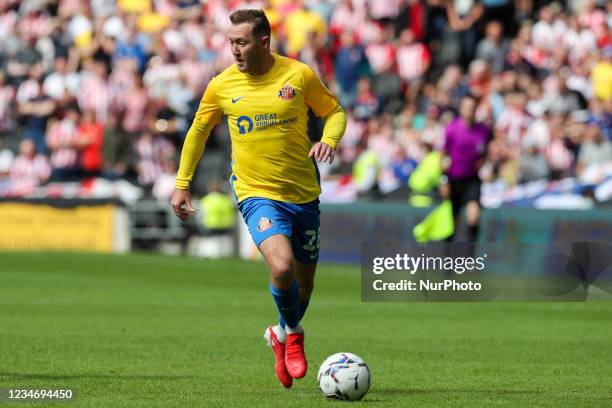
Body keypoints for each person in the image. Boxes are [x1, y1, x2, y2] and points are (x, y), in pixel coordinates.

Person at [170, 9, 346, 389]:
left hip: (303, 194)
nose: (234, 50)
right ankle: (295, 334)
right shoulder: (221, 85)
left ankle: (279, 335)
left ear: (263, 41)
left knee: (305, 285)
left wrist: (328, 140)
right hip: (256, 193)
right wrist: (182, 183)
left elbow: (334, 113)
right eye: (230, 42)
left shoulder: (297, 75)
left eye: (241, 42)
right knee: (281, 268)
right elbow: (198, 132)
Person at [440, 94, 490, 242]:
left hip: (472, 179)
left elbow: (484, 152)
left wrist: (484, 165)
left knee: (474, 215)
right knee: (451, 222)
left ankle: (470, 259)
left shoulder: (483, 131)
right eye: (466, 107)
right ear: (461, 109)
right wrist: (443, 180)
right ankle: (447, 259)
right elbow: (443, 155)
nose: (469, 111)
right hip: (453, 179)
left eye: (472, 108)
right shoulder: (452, 129)